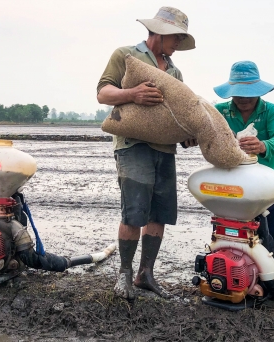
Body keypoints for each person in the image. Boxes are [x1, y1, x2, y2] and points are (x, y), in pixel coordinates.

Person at [96, 6, 197, 299]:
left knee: (159, 214)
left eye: (181, 38)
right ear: (159, 32)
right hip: (133, 145)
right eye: (176, 36)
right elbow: (103, 93)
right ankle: (124, 275)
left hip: (164, 149)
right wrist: (133, 94)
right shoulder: (126, 55)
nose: (178, 43)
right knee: (134, 213)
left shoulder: (175, 71)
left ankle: (145, 274)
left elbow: (178, 114)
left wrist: (186, 136)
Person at [213, 61, 274, 277]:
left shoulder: (272, 111)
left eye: (249, 94)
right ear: (231, 93)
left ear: (258, 91)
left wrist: (263, 145)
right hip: (230, 185)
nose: (244, 99)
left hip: (266, 186)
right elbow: (204, 132)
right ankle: (231, 275)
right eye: (239, 94)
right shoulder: (219, 112)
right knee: (227, 232)